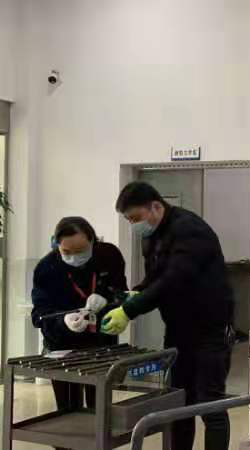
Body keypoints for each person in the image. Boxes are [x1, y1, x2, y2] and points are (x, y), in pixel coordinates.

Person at [103, 181, 235, 450]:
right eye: (129, 220)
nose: (134, 225)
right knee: (178, 402)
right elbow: (156, 278)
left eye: (136, 218)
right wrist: (135, 294)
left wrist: (129, 311)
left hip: (210, 330)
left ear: (156, 206)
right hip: (178, 329)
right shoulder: (152, 236)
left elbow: (175, 280)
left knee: (210, 403)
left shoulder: (190, 229)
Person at [31, 217, 127, 450]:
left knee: (99, 411)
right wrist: (63, 322)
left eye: (81, 251)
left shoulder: (109, 256)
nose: (74, 257)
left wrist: (109, 299)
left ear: (93, 241)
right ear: (57, 245)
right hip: (62, 347)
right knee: (67, 415)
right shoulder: (47, 268)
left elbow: (122, 293)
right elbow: (39, 316)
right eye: (67, 252)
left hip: (100, 344)